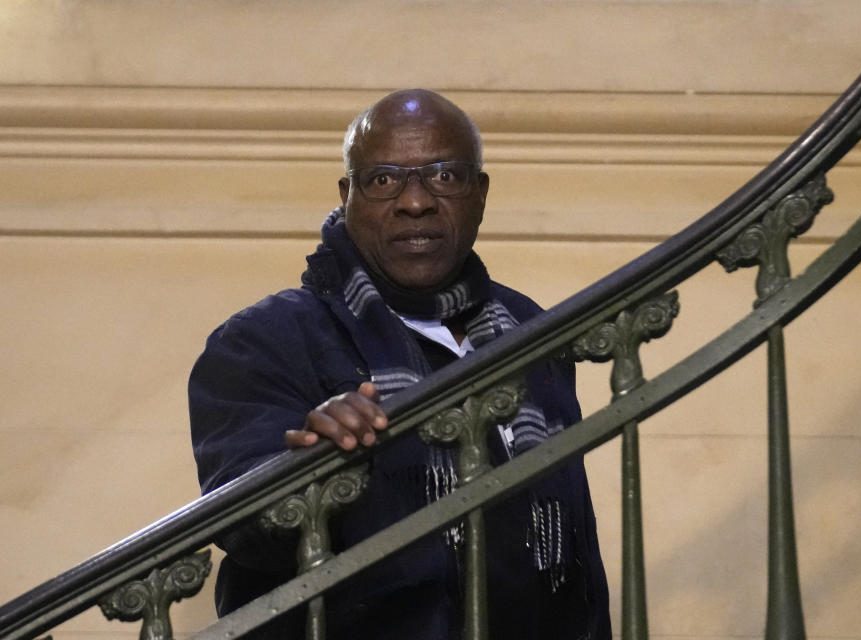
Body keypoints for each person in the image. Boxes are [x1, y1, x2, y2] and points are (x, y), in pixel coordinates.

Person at [189, 89, 611, 639]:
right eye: (383, 179)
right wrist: (308, 472)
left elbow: (574, 540)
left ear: (480, 193)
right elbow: (243, 525)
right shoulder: (265, 338)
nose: (415, 201)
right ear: (348, 196)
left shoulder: (529, 328)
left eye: (445, 176)